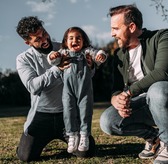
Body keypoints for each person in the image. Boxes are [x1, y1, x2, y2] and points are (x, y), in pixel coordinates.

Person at [15, 16, 95, 162]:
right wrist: (56, 69)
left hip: (67, 113)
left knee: (86, 153)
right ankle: (25, 145)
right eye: (37, 39)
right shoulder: (23, 59)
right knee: (25, 156)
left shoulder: (65, 48)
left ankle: (75, 137)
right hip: (41, 116)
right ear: (28, 42)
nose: (44, 40)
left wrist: (91, 67)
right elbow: (32, 86)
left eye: (44, 33)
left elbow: (85, 76)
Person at [99, 4, 168, 164]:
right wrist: (117, 99)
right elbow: (116, 89)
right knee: (108, 121)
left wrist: (128, 93)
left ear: (131, 26)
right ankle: (154, 139)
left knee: (157, 89)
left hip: (163, 99)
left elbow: (162, 72)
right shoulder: (118, 54)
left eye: (115, 28)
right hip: (142, 105)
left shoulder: (161, 37)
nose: (112, 34)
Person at [47, 27, 108, 153]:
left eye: (78, 38)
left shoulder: (86, 52)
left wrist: (101, 55)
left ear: (84, 41)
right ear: (65, 41)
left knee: (85, 112)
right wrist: (52, 56)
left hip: (84, 90)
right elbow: (53, 61)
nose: (75, 40)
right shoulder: (63, 53)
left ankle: (84, 135)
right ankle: (72, 136)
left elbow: (97, 53)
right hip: (68, 90)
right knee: (69, 112)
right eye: (71, 38)